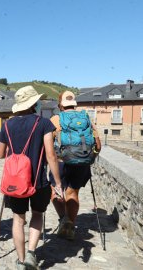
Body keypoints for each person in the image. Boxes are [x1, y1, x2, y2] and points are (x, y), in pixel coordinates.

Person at [0, 86, 63, 270]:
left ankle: (20, 260)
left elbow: (1, 155)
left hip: (15, 182)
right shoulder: (44, 124)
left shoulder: (7, 125)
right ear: (34, 103)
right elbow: (51, 155)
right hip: (38, 181)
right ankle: (32, 254)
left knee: (18, 219)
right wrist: (57, 183)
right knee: (37, 214)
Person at [49, 91, 101, 240]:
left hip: (60, 163)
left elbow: (46, 145)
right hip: (81, 162)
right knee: (73, 194)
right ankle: (70, 225)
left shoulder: (55, 119)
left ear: (60, 105)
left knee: (55, 192)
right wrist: (90, 157)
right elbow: (98, 144)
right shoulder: (86, 118)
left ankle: (63, 220)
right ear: (75, 104)